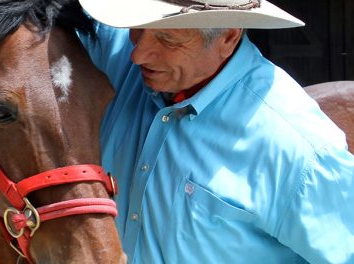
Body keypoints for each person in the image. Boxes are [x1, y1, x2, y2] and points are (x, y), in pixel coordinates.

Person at [76, 0, 354, 263]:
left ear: (228, 38)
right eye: (137, 27)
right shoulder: (112, 49)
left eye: (167, 39)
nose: (138, 54)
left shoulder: (296, 149)